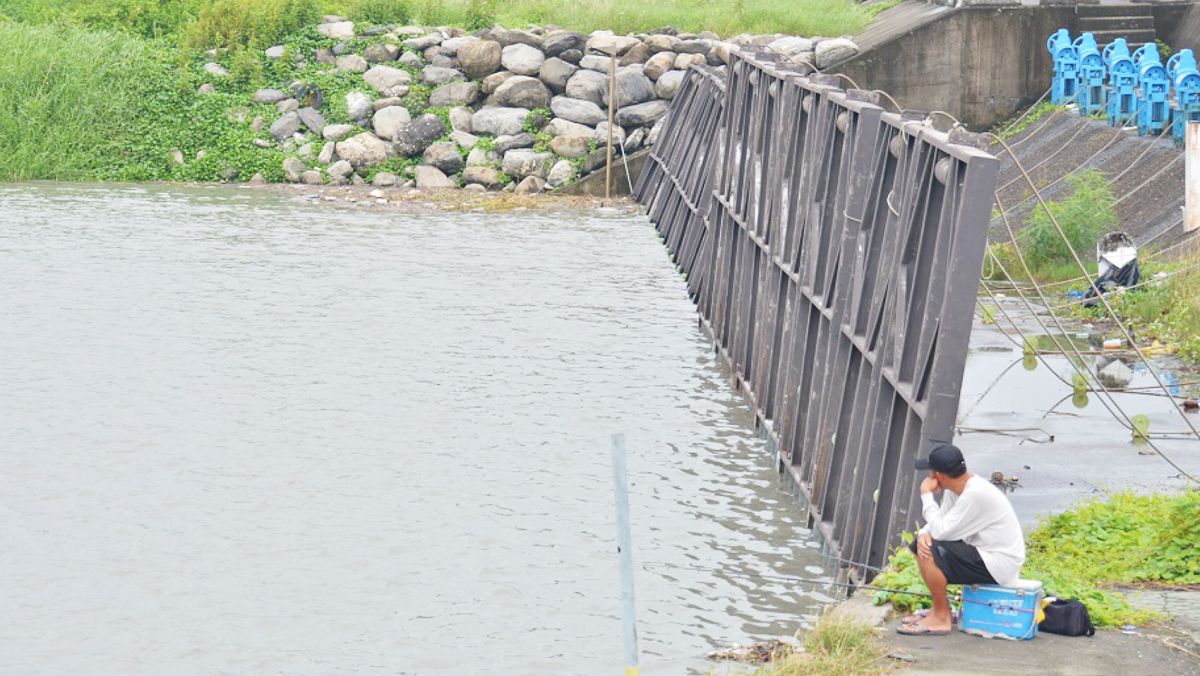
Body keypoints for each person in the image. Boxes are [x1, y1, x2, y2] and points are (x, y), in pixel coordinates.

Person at [896, 443, 1025, 636]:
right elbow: (940, 521)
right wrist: (924, 533)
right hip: (983, 554)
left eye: (931, 472)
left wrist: (926, 495)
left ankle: (941, 618)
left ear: (939, 475)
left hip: (999, 563)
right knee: (922, 544)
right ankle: (939, 611)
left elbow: (941, 532)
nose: (929, 477)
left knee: (932, 550)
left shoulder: (975, 494)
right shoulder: (956, 489)